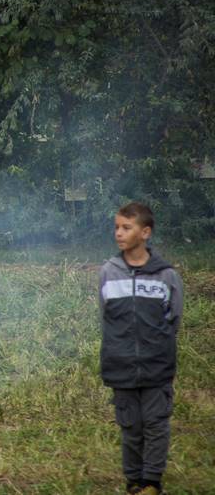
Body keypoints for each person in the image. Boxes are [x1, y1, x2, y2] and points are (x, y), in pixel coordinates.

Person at [100, 203, 184, 495]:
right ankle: (134, 481)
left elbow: (173, 319)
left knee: (156, 425)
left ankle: (151, 482)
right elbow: (106, 317)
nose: (119, 233)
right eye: (117, 227)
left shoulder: (166, 276)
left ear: (145, 233)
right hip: (120, 365)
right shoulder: (108, 272)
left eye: (127, 228)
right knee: (130, 427)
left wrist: (155, 348)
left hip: (156, 367)